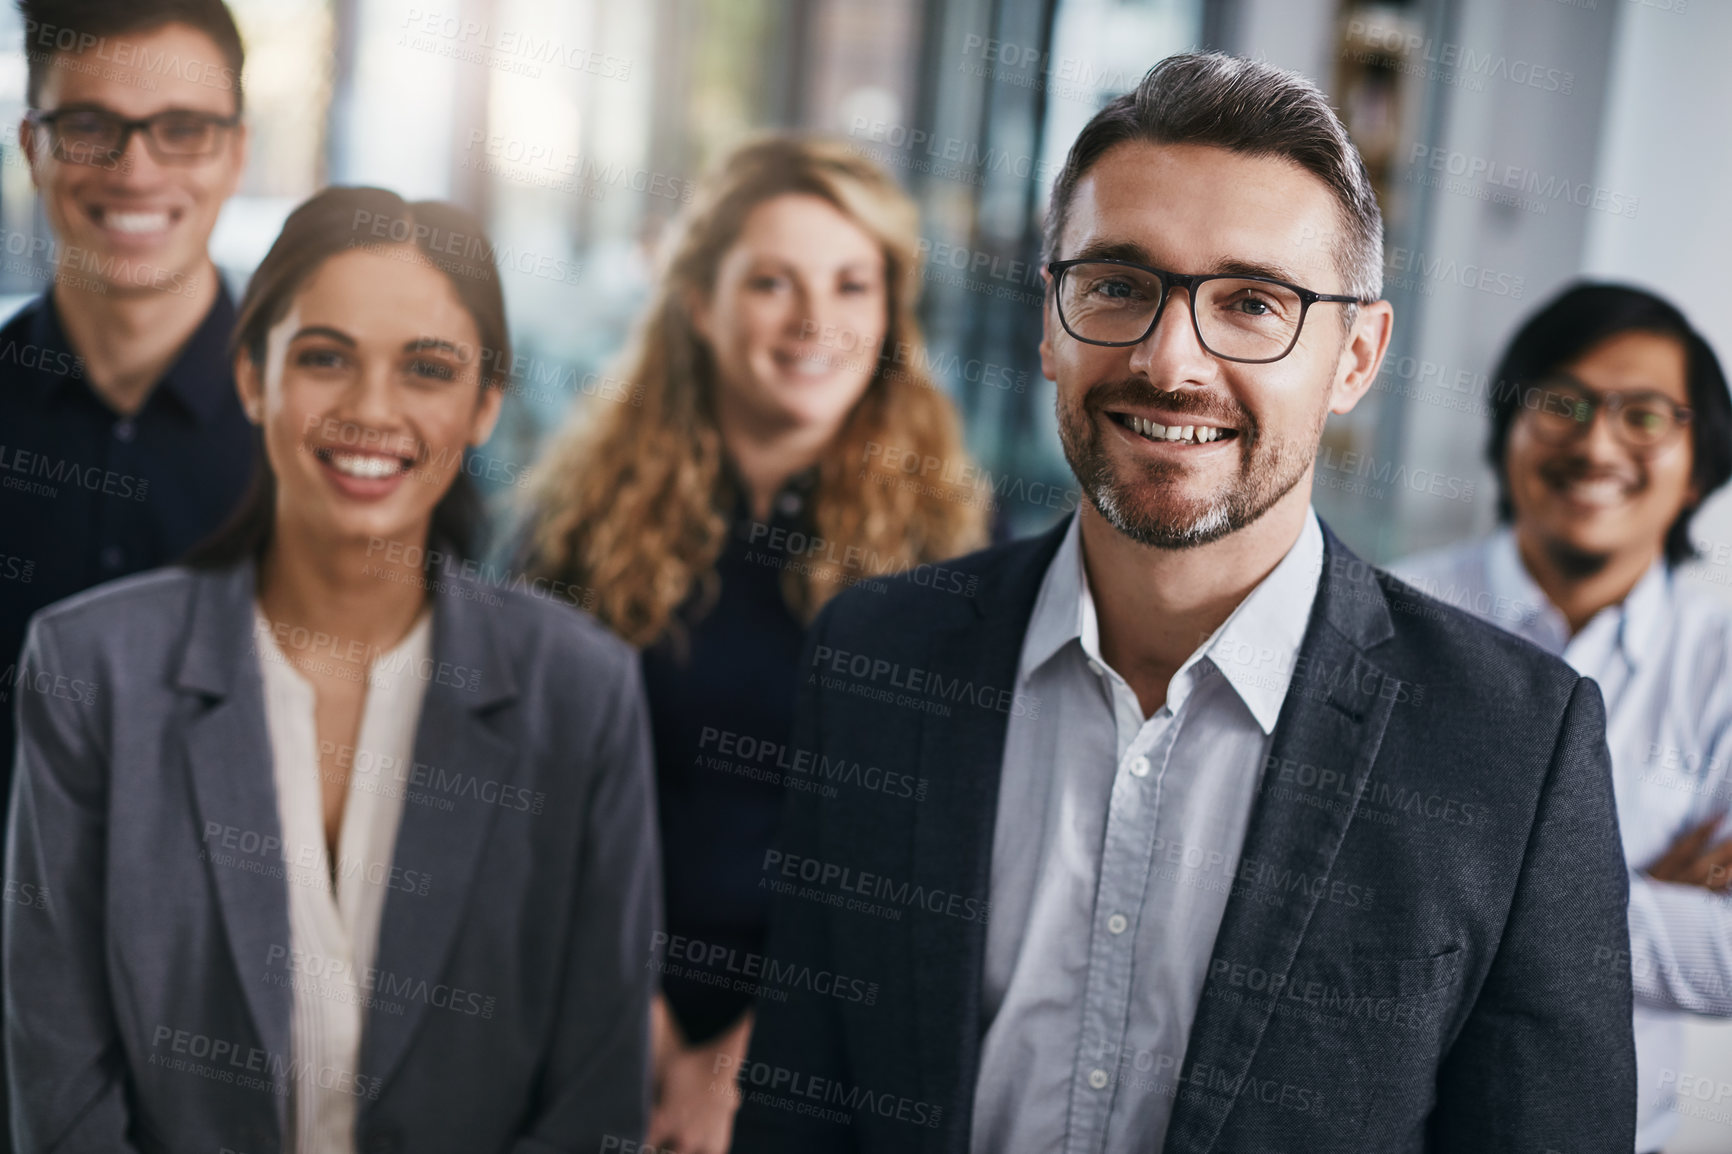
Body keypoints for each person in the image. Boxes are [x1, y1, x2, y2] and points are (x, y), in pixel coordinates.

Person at [734, 52, 1636, 1153]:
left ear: (1354, 356)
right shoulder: (878, 657)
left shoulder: (1509, 746)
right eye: (1118, 284)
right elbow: (800, 1112)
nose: (1171, 362)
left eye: (1253, 303)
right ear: (1050, 321)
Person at [4, 187, 659, 1153]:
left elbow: (597, 1100)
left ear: (484, 405)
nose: (370, 411)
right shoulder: (90, 671)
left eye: (427, 370)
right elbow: (58, 1085)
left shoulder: (582, 694)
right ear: (253, 378)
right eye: (325, 358)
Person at [521, 135, 989, 1154]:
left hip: (830, 1037)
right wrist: (644, 1040)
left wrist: (734, 1064)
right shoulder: (577, 524)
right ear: (699, 301)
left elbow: (927, 855)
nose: (815, 320)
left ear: (888, 317)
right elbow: (528, 798)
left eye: (850, 284)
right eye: (771, 280)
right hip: (579, 1000)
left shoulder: (950, 555)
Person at [1393, 282, 1732, 1154]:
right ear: (1507, 433)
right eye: (1561, 403)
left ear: (1699, 464)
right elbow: (1344, 899)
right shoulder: (1389, 616)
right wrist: (1642, 897)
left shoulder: (1722, 665)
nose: (1595, 441)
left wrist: (1466, 901)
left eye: (1647, 416)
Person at [0, 0, 255, 799]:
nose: (135, 170)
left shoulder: (327, 434)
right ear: (33, 147)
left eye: (181, 128)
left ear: (236, 153)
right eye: (89, 125)